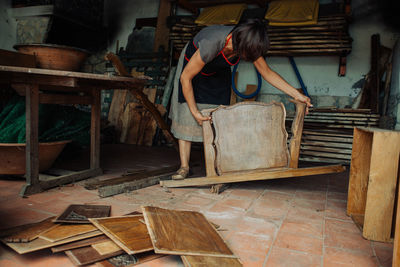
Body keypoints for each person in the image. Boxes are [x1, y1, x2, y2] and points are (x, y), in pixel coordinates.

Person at [169, 18, 312, 180]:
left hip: (217, 72)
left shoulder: (246, 42)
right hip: (191, 70)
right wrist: (195, 112)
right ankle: (184, 167)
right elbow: (185, 78)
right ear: (237, 43)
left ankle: (219, 165)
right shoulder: (211, 43)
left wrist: (296, 94)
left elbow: (267, 72)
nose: (250, 59)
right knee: (187, 114)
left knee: (219, 116)